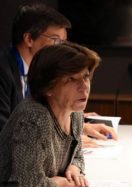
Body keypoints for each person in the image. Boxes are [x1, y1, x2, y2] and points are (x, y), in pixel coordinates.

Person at [0, 41, 100, 187]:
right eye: (71, 79)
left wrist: (74, 168)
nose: (83, 87)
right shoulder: (34, 118)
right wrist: (63, 183)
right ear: (48, 88)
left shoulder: (74, 112)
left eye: (85, 77)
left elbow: (78, 154)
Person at [0, 3, 116, 144]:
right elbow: (5, 131)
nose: (62, 48)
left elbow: (41, 118)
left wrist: (78, 126)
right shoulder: (3, 70)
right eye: (56, 40)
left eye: (64, 42)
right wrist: (65, 140)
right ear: (29, 39)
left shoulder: (39, 72)